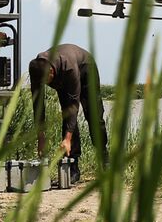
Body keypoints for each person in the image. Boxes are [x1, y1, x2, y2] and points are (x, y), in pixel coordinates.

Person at [28, 43, 108, 184]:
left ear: (51, 72)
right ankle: (73, 168)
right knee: (67, 119)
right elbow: (38, 105)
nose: (46, 85)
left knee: (94, 116)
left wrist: (67, 139)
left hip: (85, 68)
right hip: (62, 76)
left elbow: (73, 106)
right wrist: (41, 138)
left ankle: (104, 158)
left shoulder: (69, 67)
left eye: (47, 82)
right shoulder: (36, 69)